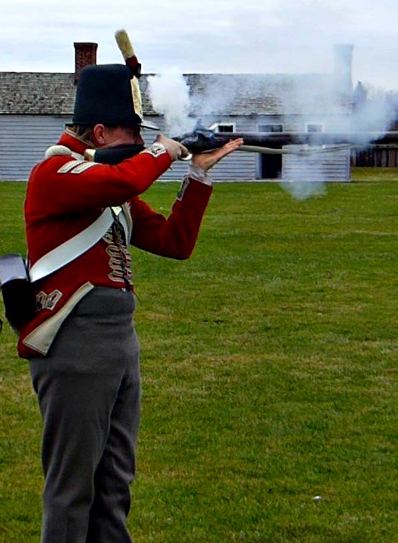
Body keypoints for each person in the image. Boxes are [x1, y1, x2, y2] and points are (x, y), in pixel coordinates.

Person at [19, 62, 242, 543]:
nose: (140, 143)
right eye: (131, 133)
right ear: (100, 131)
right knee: (71, 490)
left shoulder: (108, 179)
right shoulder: (56, 173)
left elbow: (173, 241)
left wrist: (197, 176)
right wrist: (165, 151)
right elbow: (126, 182)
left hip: (120, 343)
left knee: (115, 485)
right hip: (74, 342)